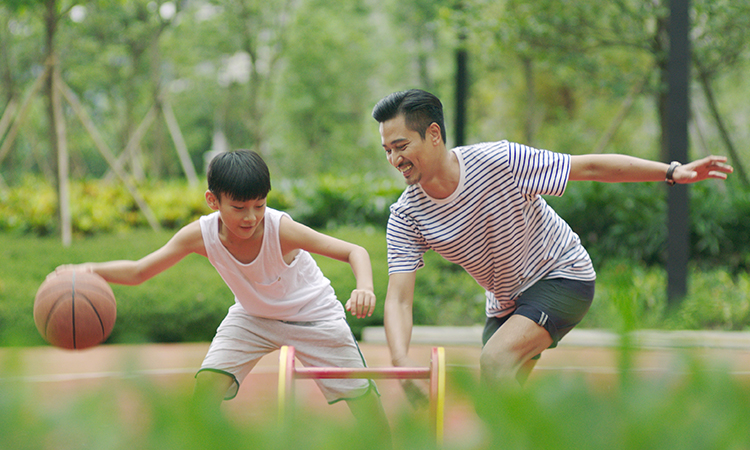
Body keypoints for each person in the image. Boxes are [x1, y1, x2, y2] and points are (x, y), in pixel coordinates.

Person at [371, 89, 733, 394]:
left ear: (433, 134)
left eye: (400, 145)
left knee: (495, 361)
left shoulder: (500, 161)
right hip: (506, 303)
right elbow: (400, 298)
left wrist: (671, 171)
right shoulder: (407, 216)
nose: (394, 159)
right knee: (498, 398)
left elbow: (588, 167)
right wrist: (401, 361)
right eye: (387, 150)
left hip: (562, 275)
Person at [55, 150, 390, 433]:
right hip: (253, 317)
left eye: (260, 205)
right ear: (213, 200)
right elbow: (141, 271)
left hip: (314, 317)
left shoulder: (280, 229)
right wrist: (87, 269)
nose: (251, 217)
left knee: (363, 405)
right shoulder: (199, 236)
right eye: (239, 207)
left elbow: (354, 251)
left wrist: (365, 287)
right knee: (205, 388)